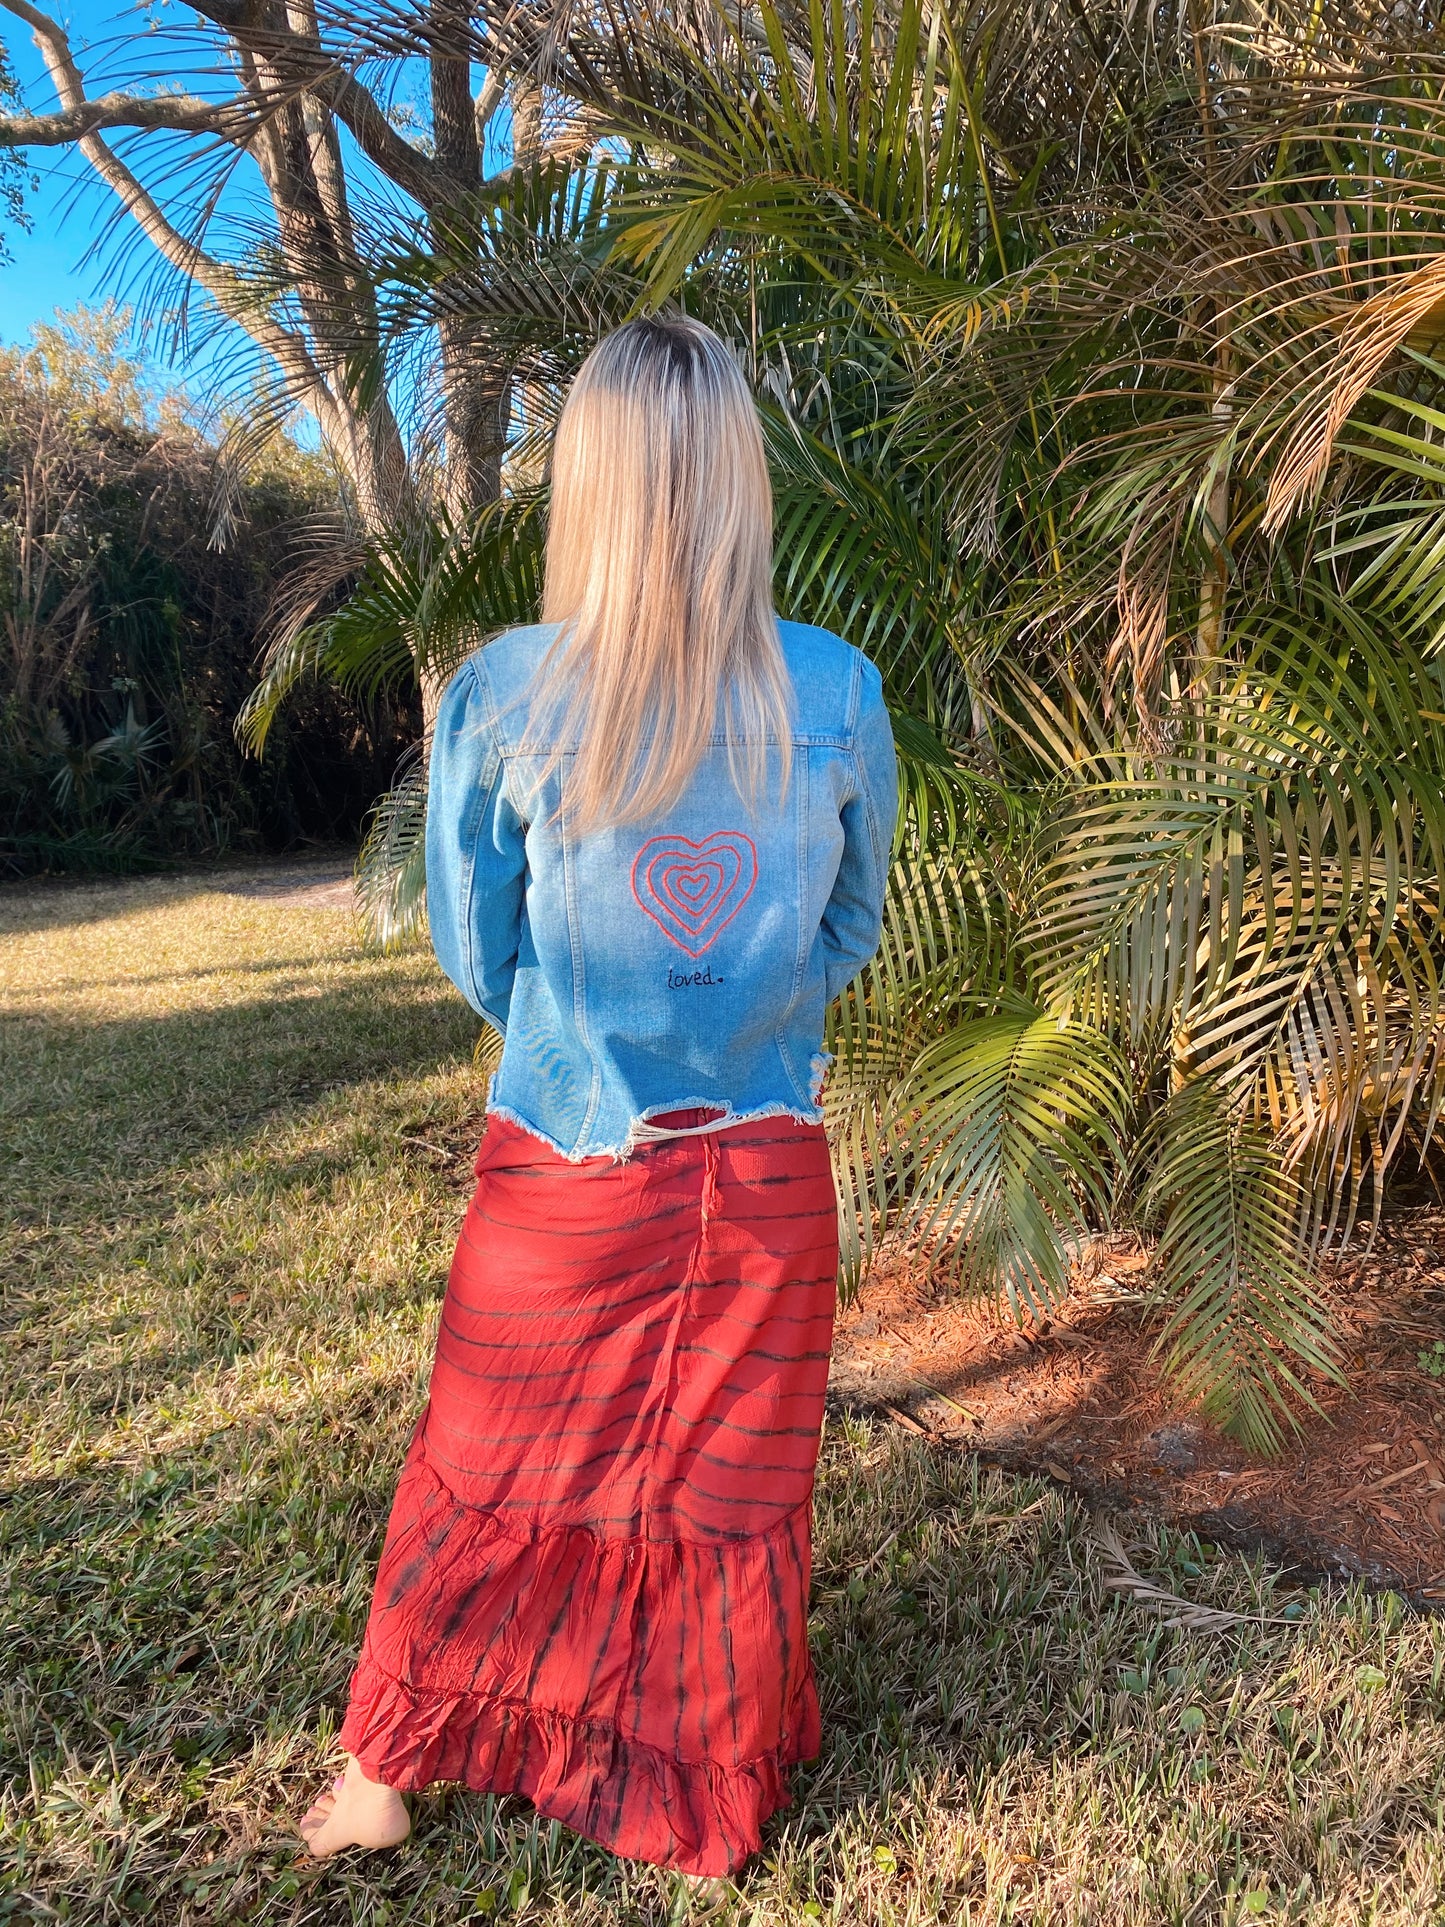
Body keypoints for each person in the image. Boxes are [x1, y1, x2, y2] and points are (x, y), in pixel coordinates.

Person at [299, 314, 897, 1884]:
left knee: (485, 1477)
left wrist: (582, 1031)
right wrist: (738, 1023)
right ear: (741, 484)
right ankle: (697, 1780)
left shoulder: (500, 692)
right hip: (765, 1179)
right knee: (722, 1504)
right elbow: (851, 930)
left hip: (563, 1170)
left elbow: (474, 945)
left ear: (589, 485)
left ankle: (384, 1773)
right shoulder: (836, 690)